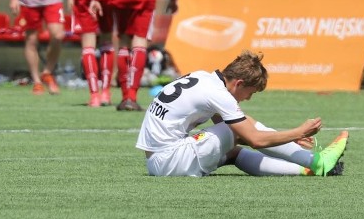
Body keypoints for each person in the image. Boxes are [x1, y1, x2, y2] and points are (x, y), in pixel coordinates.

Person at [137, 50, 347, 177]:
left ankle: (308, 169)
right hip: (169, 160)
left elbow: (239, 129)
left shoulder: (204, 78)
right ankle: (317, 162)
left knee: (234, 152)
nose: (248, 98)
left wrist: (287, 142)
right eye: (250, 92)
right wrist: (297, 133)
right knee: (241, 130)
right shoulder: (219, 94)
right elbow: (254, 138)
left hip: (158, 161)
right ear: (239, 83)